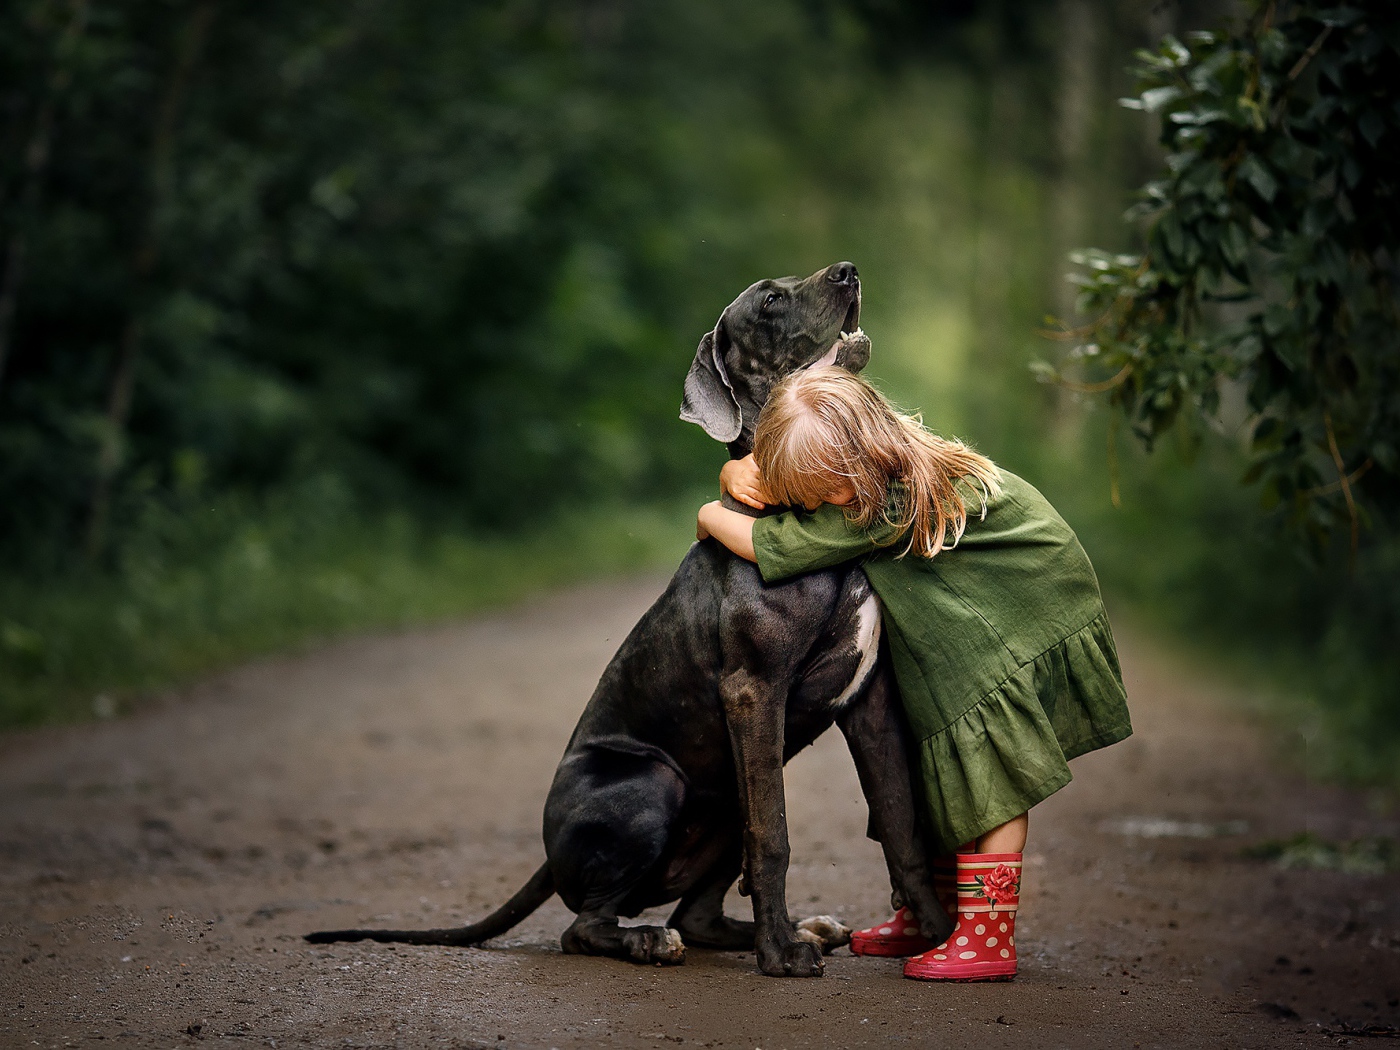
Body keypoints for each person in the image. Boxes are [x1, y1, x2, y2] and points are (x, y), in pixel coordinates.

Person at [695, 367, 1132, 982]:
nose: (819, 506)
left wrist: (710, 514)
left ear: (860, 455)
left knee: (993, 780)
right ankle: (939, 911)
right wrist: (732, 471)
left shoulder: (886, 501)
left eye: (825, 492)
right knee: (941, 770)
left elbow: (777, 545)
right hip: (964, 619)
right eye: (809, 494)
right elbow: (786, 498)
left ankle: (988, 937)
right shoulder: (875, 466)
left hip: (1016, 607)